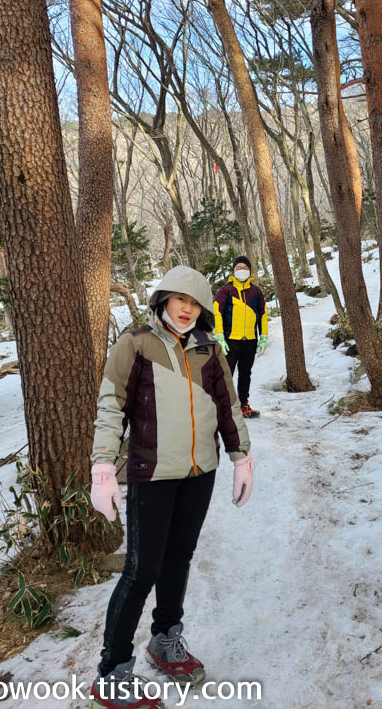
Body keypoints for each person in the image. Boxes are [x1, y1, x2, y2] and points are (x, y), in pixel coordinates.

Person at [88, 265, 254, 709]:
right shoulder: (136, 344)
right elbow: (111, 405)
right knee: (141, 570)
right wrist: (103, 468)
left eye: (195, 303)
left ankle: (164, 639)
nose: (187, 309)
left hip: (200, 473)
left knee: (179, 558)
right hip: (153, 474)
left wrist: (242, 458)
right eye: (181, 299)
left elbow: (228, 406)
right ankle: (112, 671)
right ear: (164, 299)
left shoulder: (209, 349)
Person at [213, 256, 267, 418]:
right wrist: (219, 335)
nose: (241, 271)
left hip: (250, 340)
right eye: (238, 268)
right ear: (233, 271)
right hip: (230, 340)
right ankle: (224, 407)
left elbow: (263, 314)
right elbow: (217, 312)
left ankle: (244, 404)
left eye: (245, 268)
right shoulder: (225, 291)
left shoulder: (256, 292)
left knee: (245, 374)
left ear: (250, 271)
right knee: (226, 374)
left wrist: (263, 337)